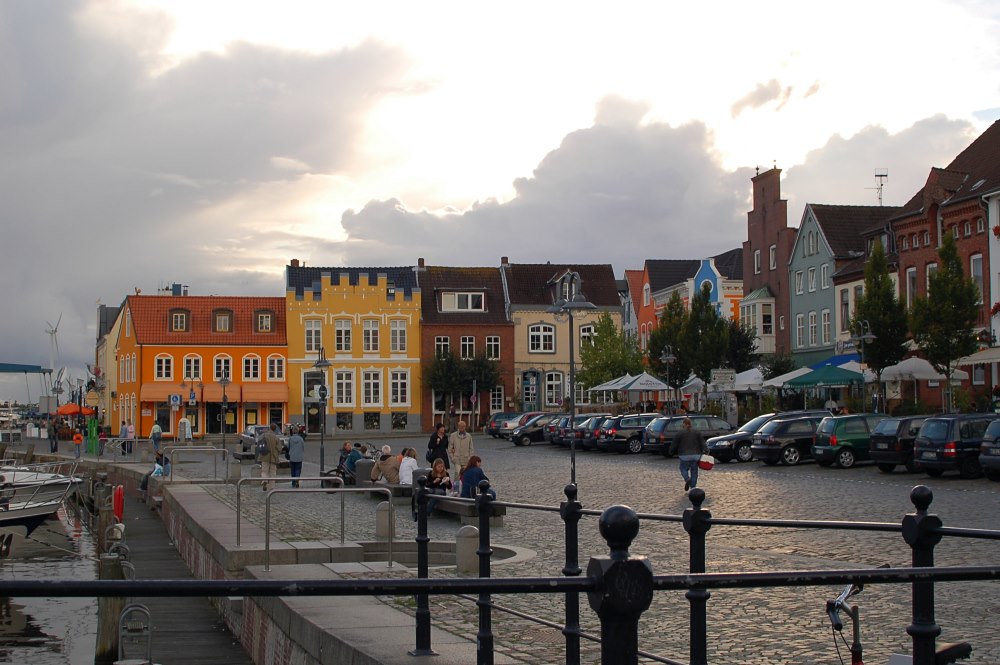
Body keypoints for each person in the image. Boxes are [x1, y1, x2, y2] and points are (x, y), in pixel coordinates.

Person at [668, 417, 709, 492]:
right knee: (694, 471)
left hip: (684, 455)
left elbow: (674, 444)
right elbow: (702, 442)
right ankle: (693, 487)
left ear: (684, 424)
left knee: (683, 468)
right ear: (690, 424)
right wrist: (706, 450)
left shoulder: (679, 433)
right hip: (696, 455)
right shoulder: (697, 432)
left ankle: (687, 479)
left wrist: (670, 452)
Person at [259, 423, 283, 491]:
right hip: (273, 457)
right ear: (275, 429)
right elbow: (279, 448)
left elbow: (259, 443)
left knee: (264, 470)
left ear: (269, 428)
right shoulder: (276, 437)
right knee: (272, 472)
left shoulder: (264, 435)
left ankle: (264, 481)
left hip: (264, 456)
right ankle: (271, 487)